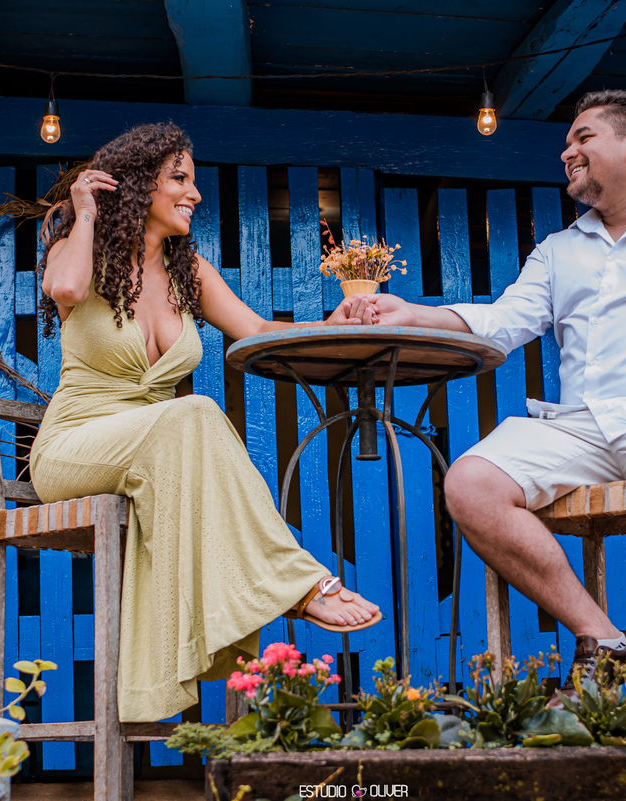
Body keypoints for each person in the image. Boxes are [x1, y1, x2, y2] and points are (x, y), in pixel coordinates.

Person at [362, 90, 626, 711]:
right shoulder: (560, 249)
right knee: (470, 484)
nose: (567, 152)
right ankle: (603, 641)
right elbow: (505, 321)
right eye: (568, 142)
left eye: (583, 137)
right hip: (580, 426)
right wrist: (413, 314)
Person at [30, 122, 381, 723]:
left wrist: (335, 323)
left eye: (193, 182)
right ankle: (299, 584)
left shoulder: (188, 271)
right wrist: (84, 211)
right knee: (195, 410)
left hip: (159, 453)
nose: (194, 193)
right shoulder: (80, 253)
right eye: (179, 179)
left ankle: (278, 590)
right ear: (138, 185)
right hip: (74, 447)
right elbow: (63, 286)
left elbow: (258, 330)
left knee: (190, 419)